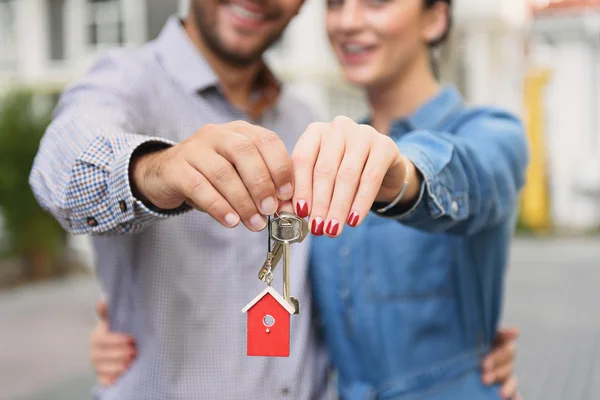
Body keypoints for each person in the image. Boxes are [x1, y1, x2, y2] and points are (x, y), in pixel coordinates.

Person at [30, 0, 523, 399]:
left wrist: (463, 357)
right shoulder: (127, 81)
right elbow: (63, 159)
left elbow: (474, 176)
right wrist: (158, 168)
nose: (349, 20)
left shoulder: (306, 126)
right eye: (338, 3)